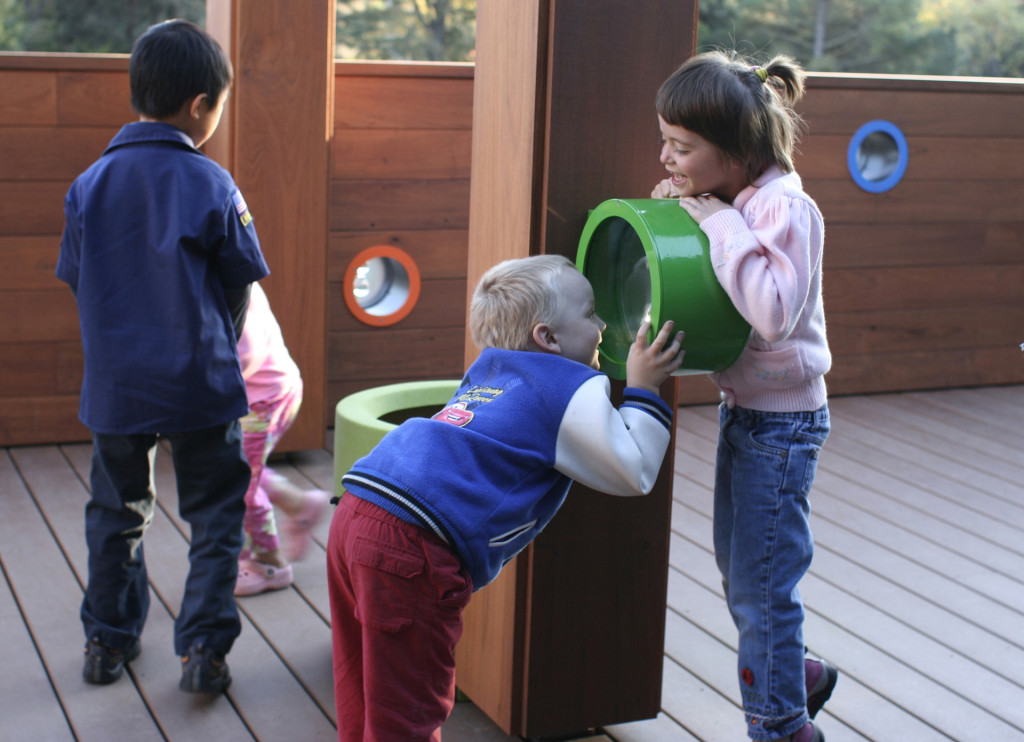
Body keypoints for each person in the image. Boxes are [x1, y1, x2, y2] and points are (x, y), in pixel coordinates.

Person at [327, 254, 685, 742]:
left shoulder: (490, 369)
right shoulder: (565, 385)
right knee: (407, 711)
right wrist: (644, 388)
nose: (602, 324)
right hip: (411, 547)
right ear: (549, 339)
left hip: (359, 507)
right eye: (590, 313)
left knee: (365, 684)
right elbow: (634, 471)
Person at [56, 19, 269, 694]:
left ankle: (106, 642)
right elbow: (239, 283)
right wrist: (215, 345)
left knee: (116, 512)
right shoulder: (213, 183)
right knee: (213, 512)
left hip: (116, 387)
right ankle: (203, 651)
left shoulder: (89, 184)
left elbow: (76, 275)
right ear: (200, 106)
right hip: (200, 382)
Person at [651, 50, 838, 742]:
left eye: (681, 147)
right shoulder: (734, 197)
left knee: (763, 591)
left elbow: (771, 311)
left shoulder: (786, 208)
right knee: (743, 579)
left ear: (735, 151)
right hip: (747, 417)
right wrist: (694, 210)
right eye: (666, 141)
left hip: (784, 430)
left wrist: (716, 221)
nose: (667, 157)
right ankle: (803, 677)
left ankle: (782, 724)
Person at [234, 282, 330, 596]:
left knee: (241, 483)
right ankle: (301, 505)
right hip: (263, 392)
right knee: (243, 468)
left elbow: (245, 354)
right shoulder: (228, 272)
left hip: (263, 400)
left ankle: (269, 564)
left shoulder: (228, 284)